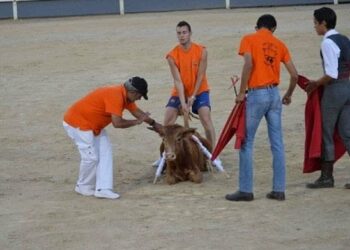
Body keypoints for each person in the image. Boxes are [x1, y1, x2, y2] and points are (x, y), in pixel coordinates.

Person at [225, 14, 298, 202]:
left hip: (257, 94)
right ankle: (279, 189)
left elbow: (248, 64)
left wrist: (241, 92)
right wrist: (288, 94)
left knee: (246, 141)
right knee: (277, 143)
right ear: (273, 29)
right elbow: (295, 75)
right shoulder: (280, 44)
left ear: (257, 27)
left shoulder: (249, 39)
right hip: (274, 94)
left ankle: (246, 190)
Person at [63, 77, 162, 199]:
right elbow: (117, 123)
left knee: (105, 152)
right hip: (78, 124)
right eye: (140, 95)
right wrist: (136, 122)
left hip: (94, 126)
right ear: (133, 92)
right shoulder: (115, 96)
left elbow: (137, 112)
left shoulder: (125, 95)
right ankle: (83, 186)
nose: (140, 98)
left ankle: (103, 189)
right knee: (91, 158)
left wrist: (155, 124)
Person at [305, 7, 350, 189]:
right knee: (347, 133)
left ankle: (327, 177)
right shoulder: (344, 39)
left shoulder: (327, 43)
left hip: (335, 89)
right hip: (348, 87)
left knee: (326, 131)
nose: (315, 27)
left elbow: (331, 73)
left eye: (316, 23)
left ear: (323, 23)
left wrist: (316, 83)